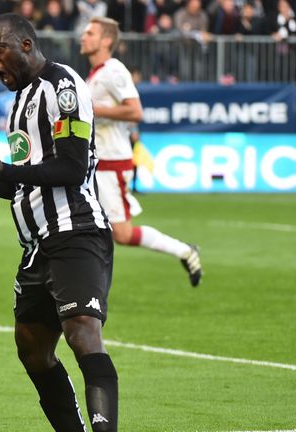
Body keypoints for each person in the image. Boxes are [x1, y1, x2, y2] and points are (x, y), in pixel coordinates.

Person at [0, 13, 120, 431]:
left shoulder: (62, 86)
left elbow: (71, 167)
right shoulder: (18, 104)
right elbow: (24, 186)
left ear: (26, 45)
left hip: (75, 231)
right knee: (32, 350)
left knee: (82, 332)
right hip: (37, 247)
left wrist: (8, 169)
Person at [80, 16, 203, 287]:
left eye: (90, 33)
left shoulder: (113, 70)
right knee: (86, 227)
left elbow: (135, 111)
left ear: (106, 40)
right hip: (96, 163)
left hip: (112, 163)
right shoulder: (95, 74)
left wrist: (95, 110)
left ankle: (184, 250)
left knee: (121, 234)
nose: (83, 37)